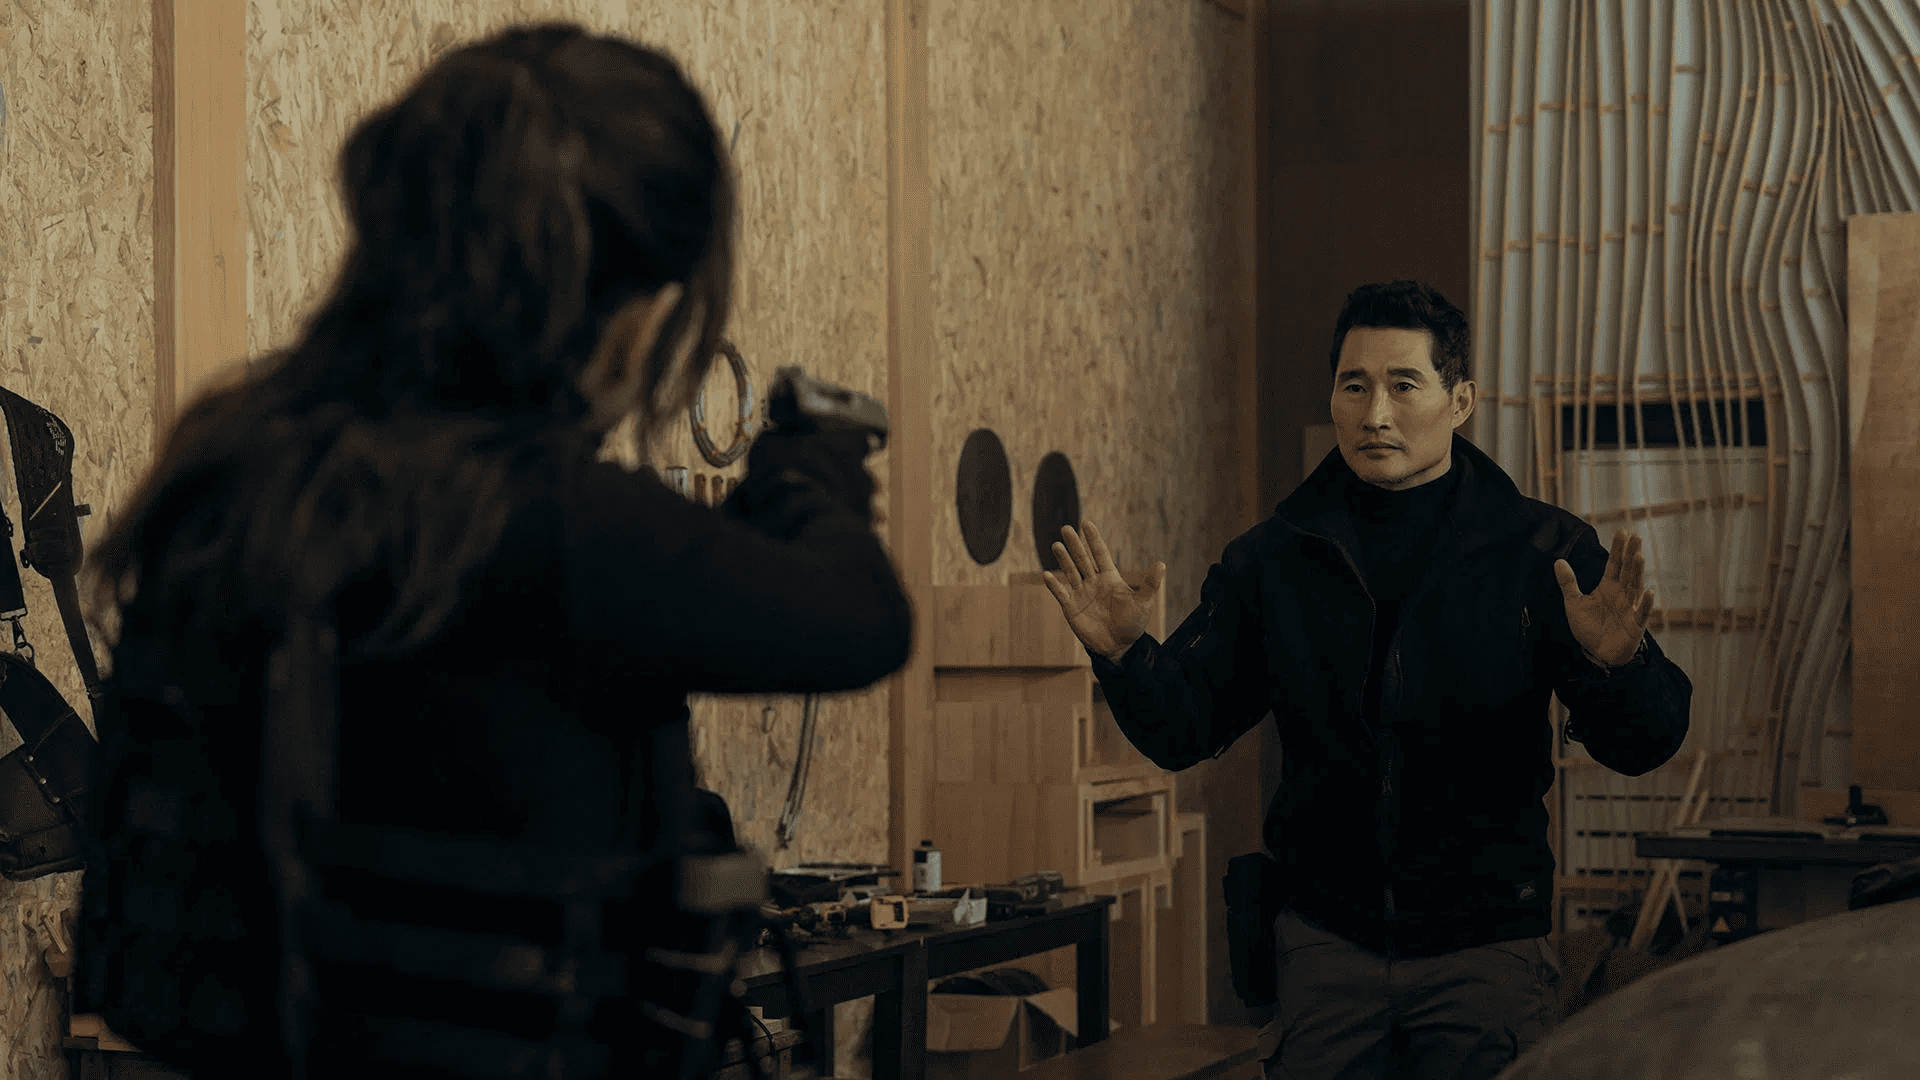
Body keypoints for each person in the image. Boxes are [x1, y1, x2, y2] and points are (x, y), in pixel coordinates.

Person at [77, 22, 910, 1080]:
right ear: (626, 315)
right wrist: (808, 473)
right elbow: (858, 618)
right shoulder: (555, 525)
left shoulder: (232, 471)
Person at [1042, 280, 1692, 1080]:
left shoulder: (1540, 552)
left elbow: (1649, 744)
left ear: (1460, 401)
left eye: (1403, 384)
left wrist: (1619, 667)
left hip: (1486, 949)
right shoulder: (1273, 558)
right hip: (1326, 947)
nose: (1375, 413)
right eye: (1354, 386)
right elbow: (1185, 727)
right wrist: (1125, 656)